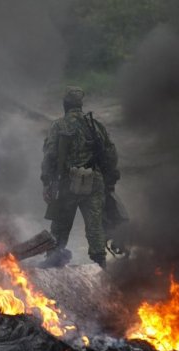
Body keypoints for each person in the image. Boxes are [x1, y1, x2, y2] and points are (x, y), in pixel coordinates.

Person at [40, 86, 120, 268]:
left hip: (68, 182)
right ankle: (100, 264)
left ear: (65, 105)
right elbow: (111, 154)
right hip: (93, 181)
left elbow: (50, 156)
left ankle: (53, 263)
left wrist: (47, 182)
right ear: (80, 105)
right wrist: (109, 180)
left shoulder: (59, 125)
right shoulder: (95, 125)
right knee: (95, 226)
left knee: (60, 226)